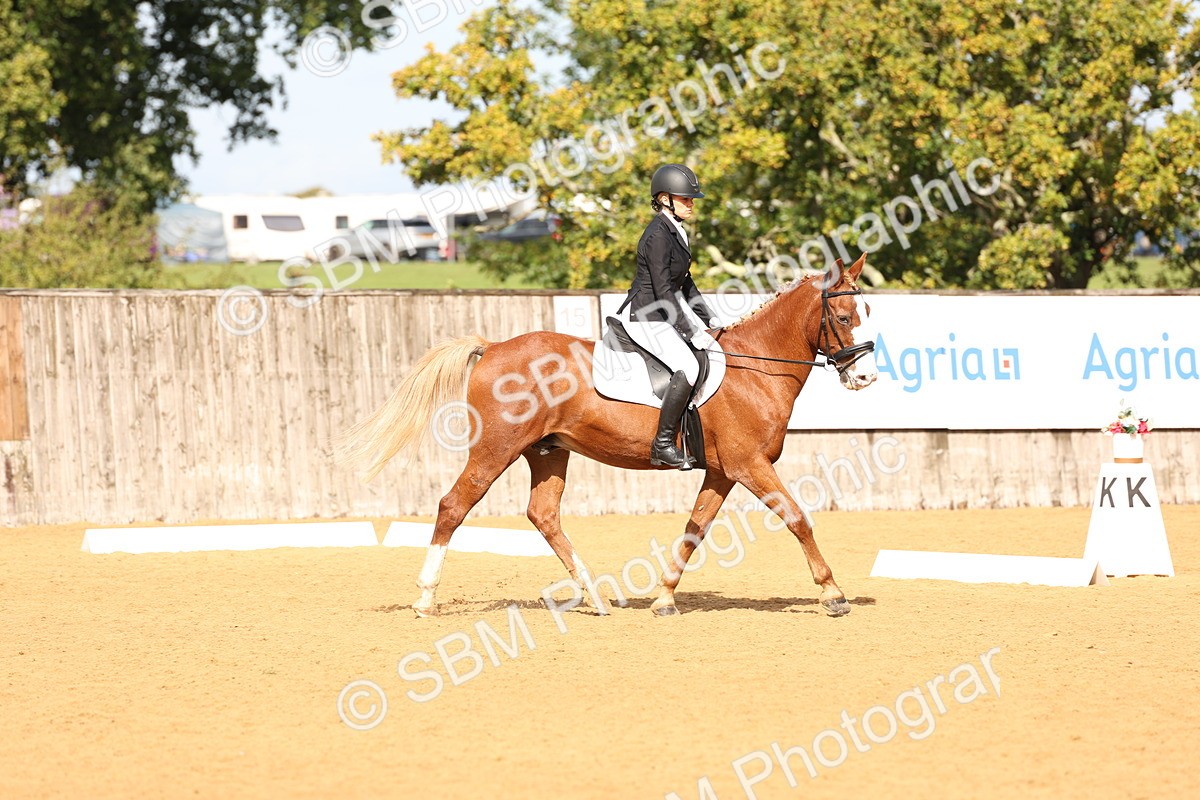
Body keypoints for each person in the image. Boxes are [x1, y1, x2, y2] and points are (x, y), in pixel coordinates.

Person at [619, 163, 718, 470]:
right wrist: (690, 330)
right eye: (685, 198)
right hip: (645, 316)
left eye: (691, 199)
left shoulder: (676, 231)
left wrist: (711, 320)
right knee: (688, 366)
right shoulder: (657, 235)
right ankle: (662, 444)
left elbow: (685, 284)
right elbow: (664, 289)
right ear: (664, 199)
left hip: (659, 314)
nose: (691, 203)